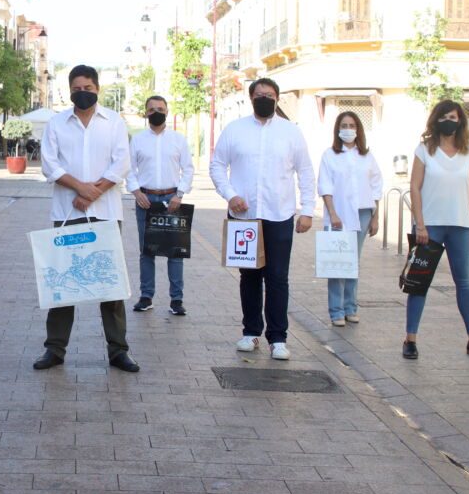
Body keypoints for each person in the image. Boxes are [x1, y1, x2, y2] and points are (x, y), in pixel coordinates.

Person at [34, 65, 138, 373]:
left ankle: (118, 350)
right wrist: (80, 188)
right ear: (70, 90)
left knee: (111, 284)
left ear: (97, 89)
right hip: (67, 213)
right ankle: (55, 349)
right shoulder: (56, 123)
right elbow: (49, 165)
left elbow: (122, 163)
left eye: (89, 87)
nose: (84, 92)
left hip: (106, 214)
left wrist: (93, 193)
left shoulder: (114, 122)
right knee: (62, 281)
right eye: (78, 87)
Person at [210, 78, 315, 360]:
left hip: (279, 214)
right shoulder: (235, 130)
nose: (264, 98)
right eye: (259, 94)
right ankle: (251, 332)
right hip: (244, 217)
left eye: (269, 94)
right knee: (249, 276)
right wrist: (230, 195)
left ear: (277, 98)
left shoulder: (291, 133)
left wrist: (307, 209)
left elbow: (305, 172)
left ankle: (278, 338)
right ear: (251, 97)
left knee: (278, 278)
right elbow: (217, 165)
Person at [404, 99, 469, 360]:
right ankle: (410, 338)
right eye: (445, 117)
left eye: (454, 117)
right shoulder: (424, 150)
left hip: (460, 225)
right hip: (429, 225)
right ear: (436, 120)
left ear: (461, 121)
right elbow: (415, 187)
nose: (449, 122)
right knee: (419, 283)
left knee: (465, 283)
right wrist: (419, 223)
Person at [128, 95, 194, 316]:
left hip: (172, 201)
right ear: (145, 113)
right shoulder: (137, 140)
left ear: (167, 111)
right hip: (145, 201)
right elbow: (128, 169)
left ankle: (177, 299)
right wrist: (136, 192)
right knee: (147, 250)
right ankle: (146, 297)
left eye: (160, 108)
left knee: (175, 251)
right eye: (152, 109)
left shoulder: (178, 139)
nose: (156, 112)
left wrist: (180, 194)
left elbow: (188, 168)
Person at [317, 111, 382, 327]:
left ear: (358, 129)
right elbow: (325, 186)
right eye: (344, 125)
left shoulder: (367, 156)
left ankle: (350, 307)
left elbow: (376, 186)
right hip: (339, 214)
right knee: (337, 262)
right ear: (338, 129)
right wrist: (333, 213)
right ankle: (336, 310)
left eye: (352, 125)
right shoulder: (330, 155)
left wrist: (375, 217)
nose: (348, 129)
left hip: (363, 213)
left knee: (353, 261)